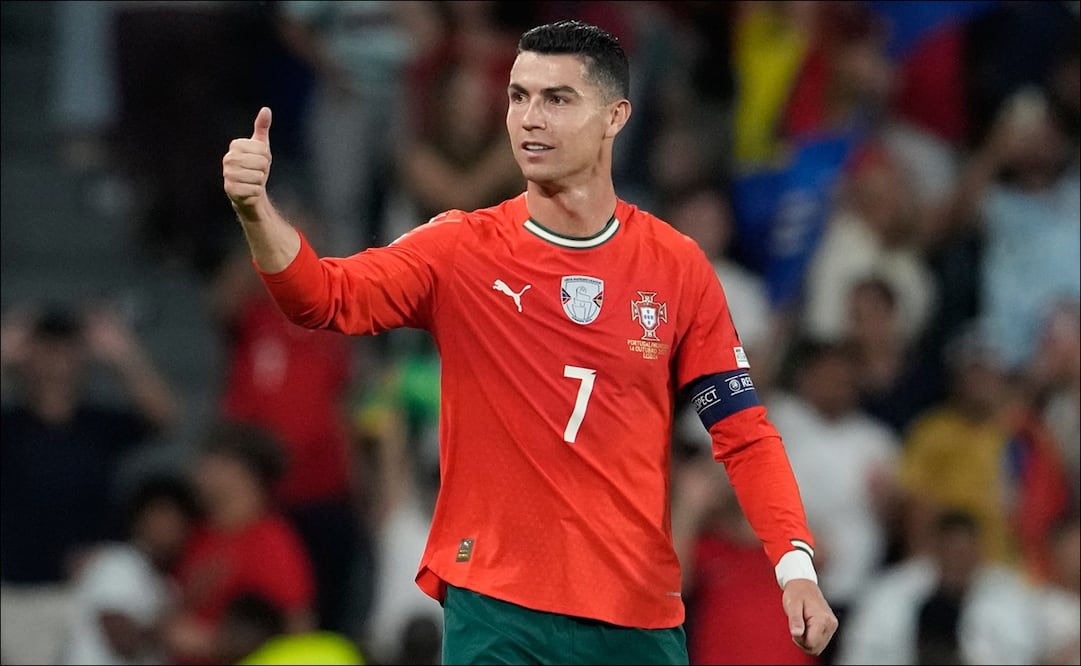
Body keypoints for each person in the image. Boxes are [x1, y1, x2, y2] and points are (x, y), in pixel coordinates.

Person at [222, 19, 837, 664]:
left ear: (614, 117)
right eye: (518, 97)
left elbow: (741, 429)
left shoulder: (676, 267)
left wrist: (794, 565)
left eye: (556, 98)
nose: (528, 118)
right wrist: (258, 214)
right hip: (497, 609)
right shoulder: (458, 248)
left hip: (633, 616)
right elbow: (323, 297)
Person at [60, 473, 199, 666]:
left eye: (177, 521)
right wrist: (186, 604)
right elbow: (122, 641)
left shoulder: (168, 584)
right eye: (160, 517)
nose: (168, 528)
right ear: (138, 520)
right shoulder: (119, 562)